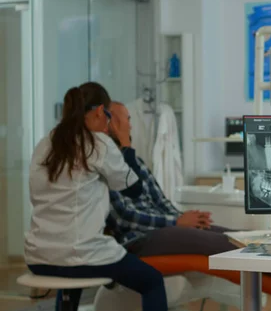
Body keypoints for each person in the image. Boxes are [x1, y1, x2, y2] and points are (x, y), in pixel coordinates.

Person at [104, 101, 271, 285]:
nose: (130, 126)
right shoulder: (105, 163)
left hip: (164, 229)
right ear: (112, 122)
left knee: (237, 237)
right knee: (221, 245)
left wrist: (186, 219)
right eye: (127, 120)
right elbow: (123, 218)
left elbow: (160, 201)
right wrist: (177, 223)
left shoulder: (135, 162)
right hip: (137, 240)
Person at [24, 82, 168, 311]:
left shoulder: (46, 143)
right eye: (109, 116)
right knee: (152, 281)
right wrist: (126, 143)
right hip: (80, 255)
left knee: (73, 270)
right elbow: (134, 189)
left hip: (38, 257)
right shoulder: (97, 143)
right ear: (101, 111)